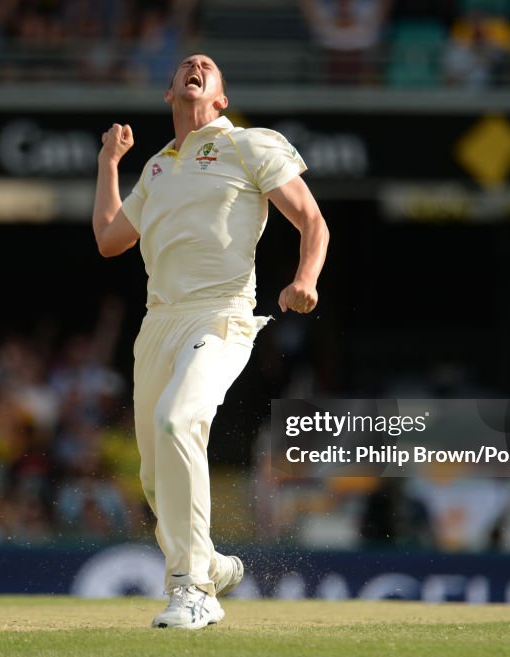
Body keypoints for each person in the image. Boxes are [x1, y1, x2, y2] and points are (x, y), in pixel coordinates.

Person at [92, 53, 329, 629]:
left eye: (209, 67)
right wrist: (108, 163)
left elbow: (313, 221)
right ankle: (209, 563)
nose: (195, 65)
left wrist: (304, 279)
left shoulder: (248, 144)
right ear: (170, 93)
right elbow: (108, 239)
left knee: (179, 419)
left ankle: (192, 588)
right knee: (153, 479)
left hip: (220, 315)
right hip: (157, 325)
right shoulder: (154, 168)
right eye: (185, 66)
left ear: (219, 98)